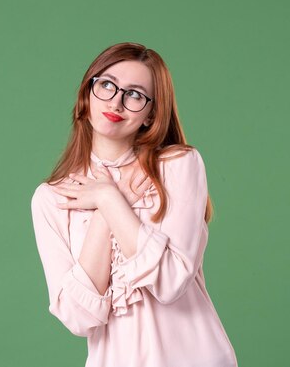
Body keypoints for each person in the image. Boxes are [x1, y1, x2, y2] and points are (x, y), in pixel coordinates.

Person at [30, 42, 238, 367]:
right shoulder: (53, 199)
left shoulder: (178, 165)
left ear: (150, 114)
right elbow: (78, 317)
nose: (116, 101)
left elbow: (170, 282)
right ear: (87, 95)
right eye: (107, 86)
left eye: (135, 94)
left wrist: (108, 198)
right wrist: (107, 205)